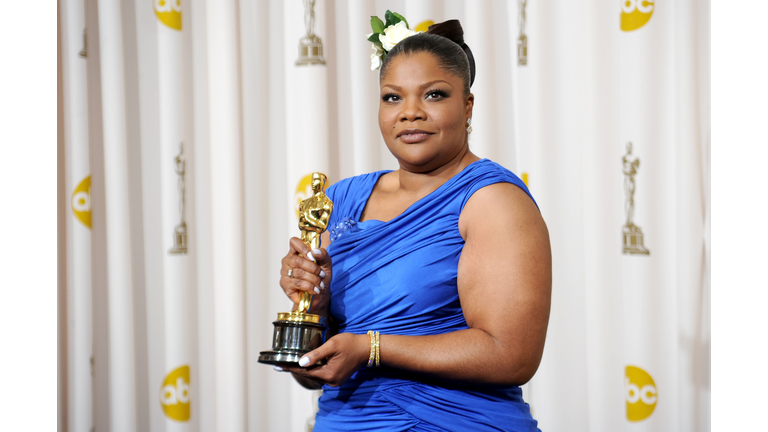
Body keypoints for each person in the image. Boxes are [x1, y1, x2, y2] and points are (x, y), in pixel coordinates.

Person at [278, 18, 551, 432]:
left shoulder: (492, 201)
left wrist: (370, 348)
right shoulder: (341, 198)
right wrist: (312, 311)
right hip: (344, 421)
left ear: (468, 106)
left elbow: (512, 354)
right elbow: (312, 368)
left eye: (434, 95)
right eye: (392, 98)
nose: (409, 113)